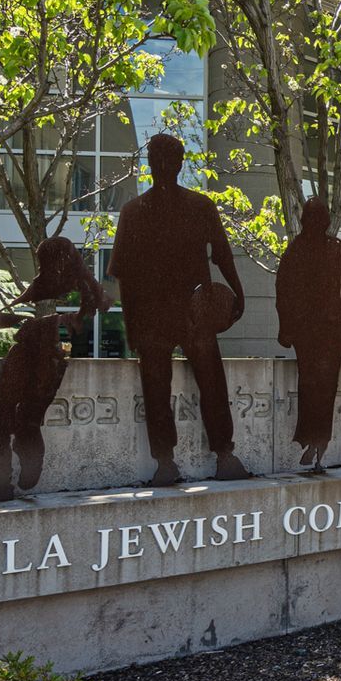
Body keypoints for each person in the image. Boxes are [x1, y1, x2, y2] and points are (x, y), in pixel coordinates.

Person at [106, 133, 248, 485]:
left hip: (180, 313)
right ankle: (213, 456)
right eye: (162, 159)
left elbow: (123, 277)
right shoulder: (182, 207)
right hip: (177, 314)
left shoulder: (141, 210)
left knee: (193, 385)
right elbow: (124, 275)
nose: (164, 166)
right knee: (193, 385)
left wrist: (132, 328)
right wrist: (238, 292)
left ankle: (181, 461)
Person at [0, 237, 107, 503]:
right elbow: (22, 312)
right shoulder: (54, 285)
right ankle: (0, 476)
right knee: (7, 415)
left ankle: (7, 469)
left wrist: (41, 323)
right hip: (37, 352)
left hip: (47, 354)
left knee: (12, 415)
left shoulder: (80, 286)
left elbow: (88, 313)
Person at [276, 195, 341, 470]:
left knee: (324, 385)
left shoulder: (338, 250)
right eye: (311, 218)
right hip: (306, 330)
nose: (314, 223)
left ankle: (319, 443)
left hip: (330, 329)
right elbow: (283, 293)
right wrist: (285, 328)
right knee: (311, 383)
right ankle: (311, 439)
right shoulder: (295, 251)